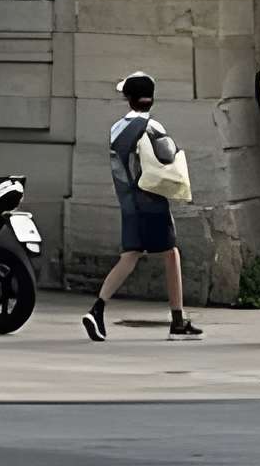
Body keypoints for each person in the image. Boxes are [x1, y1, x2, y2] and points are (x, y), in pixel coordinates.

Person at [85, 72, 201, 340]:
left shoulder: (116, 129)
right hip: (150, 201)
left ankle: (97, 309)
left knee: (130, 256)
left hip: (127, 201)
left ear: (128, 99)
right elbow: (167, 157)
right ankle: (177, 320)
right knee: (171, 253)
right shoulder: (154, 128)